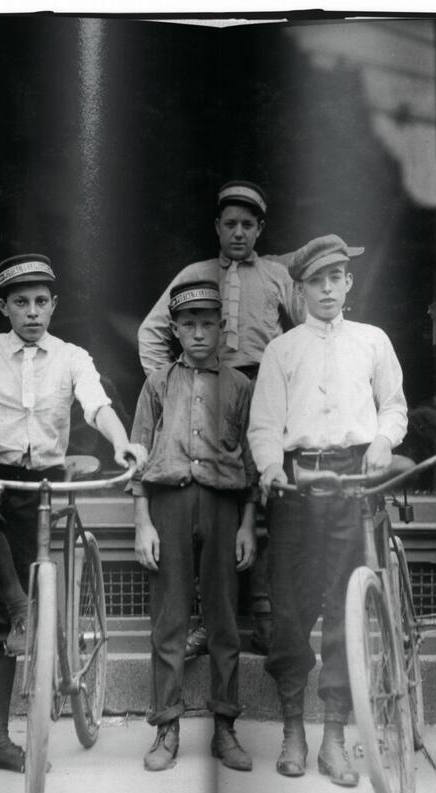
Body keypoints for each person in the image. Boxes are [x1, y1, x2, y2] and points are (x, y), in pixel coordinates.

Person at [0, 254, 148, 773]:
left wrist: (122, 443)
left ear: (53, 305)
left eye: (40, 302)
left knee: (2, 602)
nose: (31, 312)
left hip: (40, 482)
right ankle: (19, 611)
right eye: (20, 303)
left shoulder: (72, 356)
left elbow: (95, 405)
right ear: (4, 307)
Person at [248, 234, 408, 787]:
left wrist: (384, 441)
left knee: (345, 610)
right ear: (301, 288)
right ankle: (294, 728)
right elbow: (265, 426)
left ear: (348, 283)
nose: (327, 289)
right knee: (291, 613)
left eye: (336, 278)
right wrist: (271, 467)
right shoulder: (282, 350)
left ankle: (334, 737)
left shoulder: (372, 341)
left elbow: (394, 407)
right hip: (298, 489)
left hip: (356, 484)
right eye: (316, 280)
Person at [136, 180, 297, 658]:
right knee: (205, 504)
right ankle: (204, 622)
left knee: (263, 500)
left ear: (260, 229)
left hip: (262, 394)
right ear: (217, 227)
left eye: (249, 225)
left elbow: (305, 332)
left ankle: (266, 618)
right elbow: (152, 331)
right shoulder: (196, 273)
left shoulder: (274, 276)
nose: (239, 233)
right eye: (230, 224)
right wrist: (172, 386)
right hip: (204, 393)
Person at [130, 280, 258, 773]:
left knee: (224, 620)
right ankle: (167, 726)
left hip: (224, 507)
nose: (199, 333)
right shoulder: (158, 383)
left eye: (208, 323)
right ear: (176, 330)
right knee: (170, 618)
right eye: (189, 324)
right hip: (170, 504)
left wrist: (248, 523)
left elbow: (250, 460)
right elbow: (138, 454)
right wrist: (143, 522)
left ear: (222, 328)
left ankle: (224, 728)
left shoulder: (242, 386)